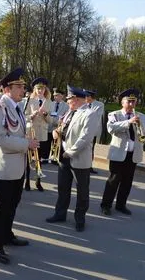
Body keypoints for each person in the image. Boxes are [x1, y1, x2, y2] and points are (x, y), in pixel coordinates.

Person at [0, 67, 39, 264]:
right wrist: (26, 143)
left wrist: (26, 137)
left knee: (12, 204)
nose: (23, 89)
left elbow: (15, 132)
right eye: (19, 86)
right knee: (0, 208)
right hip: (5, 167)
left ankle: (7, 235)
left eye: (23, 86)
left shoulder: (17, 107)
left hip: (18, 165)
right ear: (7, 89)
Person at [45, 86, 98, 232]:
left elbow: (86, 138)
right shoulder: (69, 112)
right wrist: (56, 132)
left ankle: (80, 219)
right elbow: (63, 128)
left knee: (82, 191)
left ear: (75, 99)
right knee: (63, 188)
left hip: (78, 157)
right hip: (63, 156)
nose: (67, 101)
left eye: (69, 99)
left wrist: (70, 152)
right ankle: (60, 214)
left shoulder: (89, 114)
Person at [100, 88, 145, 216]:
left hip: (133, 153)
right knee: (113, 180)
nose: (131, 105)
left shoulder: (142, 116)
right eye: (129, 102)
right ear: (122, 102)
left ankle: (121, 205)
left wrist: (141, 124)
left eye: (134, 102)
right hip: (118, 153)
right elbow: (111, 128)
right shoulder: (114, 114)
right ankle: (106, 205)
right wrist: (128, 122)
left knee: (127, 181)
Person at [23, 77, 52, 191]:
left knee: (39, 159)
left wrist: (45, 114)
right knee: (28, 158)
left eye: (43, 88)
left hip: (42, 133)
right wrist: (32, 115)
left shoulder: (49, 102)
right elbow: (24, 117)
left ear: (45, 89)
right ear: (35, 89)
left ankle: (38, 181)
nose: (40, 90)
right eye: (38, 88)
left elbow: (51, 121)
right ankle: (27, 181)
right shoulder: (30, 100)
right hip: (31, 133)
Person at [84, 89, 105, 174]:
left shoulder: (99, 105)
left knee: (91, 149)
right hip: (83, 130)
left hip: (93, 131)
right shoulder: (84, 104)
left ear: (90, 97)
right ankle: (83, 165)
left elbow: (97, 116)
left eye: (86, 96)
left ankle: (89, 166)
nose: (85, 98)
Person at [48, 88, 69, 164]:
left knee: (57, 143)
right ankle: (47, 157)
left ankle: (56, 158)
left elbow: (65, 116)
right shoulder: (51, 103)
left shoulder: (66, 106)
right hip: (49, 126)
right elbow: (49, 113)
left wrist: (58, 122)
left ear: (62, 96)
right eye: (54, 95)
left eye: (57, 95)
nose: (55, 97)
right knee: (48, 143)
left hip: (58, 127)